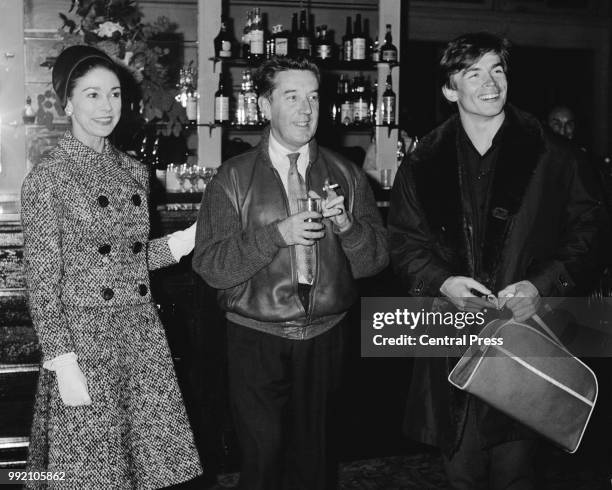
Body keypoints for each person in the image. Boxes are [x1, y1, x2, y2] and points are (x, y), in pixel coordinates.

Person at [388, 33, 603, 489]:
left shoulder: (555, 155)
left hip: (528, 334)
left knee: (516, 472)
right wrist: (442, 282)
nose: (490, 83)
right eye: (474, 73)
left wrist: (541, 286)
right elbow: (405, 243)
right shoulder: (421, 162)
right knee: (461, 471)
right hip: (451, 339)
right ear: (451, 90)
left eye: (497, 70)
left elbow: (590, 233)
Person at [192, 56, 388, 490]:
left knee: (316, 463)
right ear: (265, 106)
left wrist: (347, 228)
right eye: (292, 97)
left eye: (313, 97)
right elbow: (211, 267)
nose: (306, 109)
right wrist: (275, 235)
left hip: (327, 335)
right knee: (262, 461)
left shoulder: (348, 175)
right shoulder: (232, 178)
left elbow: (375, 262)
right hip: (256, 336)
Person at [21, 45, 202, 488]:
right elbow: (43, 281)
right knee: (91, 476)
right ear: (67, 101)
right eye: (92, 95)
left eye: (115, 94)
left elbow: (127, 263)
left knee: (147, 474)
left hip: (139, 336)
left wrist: (184, 240)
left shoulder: (133, 171)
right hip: (86, 345)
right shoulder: (50, 176)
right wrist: (62, 361)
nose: (107, 107)